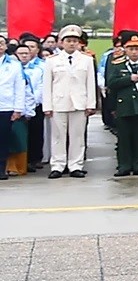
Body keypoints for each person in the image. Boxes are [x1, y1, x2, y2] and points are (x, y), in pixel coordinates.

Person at [43, 26, 100, 178]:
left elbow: (90, 83)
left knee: (77, 136)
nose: (72, 44)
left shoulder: (86, 60)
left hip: (79, 103)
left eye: (75, 41)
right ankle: (58, 165)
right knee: (57, 136)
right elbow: (47, 85)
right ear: (61, 43)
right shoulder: (52, 61)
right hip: (58, 103)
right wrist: (47, 106)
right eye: (68, 41)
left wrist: (91, 104)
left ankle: (76, 165)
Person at [102, 29, 138, 177]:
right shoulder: (117, 65)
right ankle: (124, 165)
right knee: (124, 138)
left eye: (137, 49)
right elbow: (111, 84)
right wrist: (128, 80)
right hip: (123, 105)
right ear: (125, 49)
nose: (134, 52)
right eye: (131, 49)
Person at [1, 36, 44, 176]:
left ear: (6, 46)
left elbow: (20, 88)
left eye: (1, 43)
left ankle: (2, 169)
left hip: (6, 107)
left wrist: (19, 109)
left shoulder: (14, 65)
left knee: (4, 139)